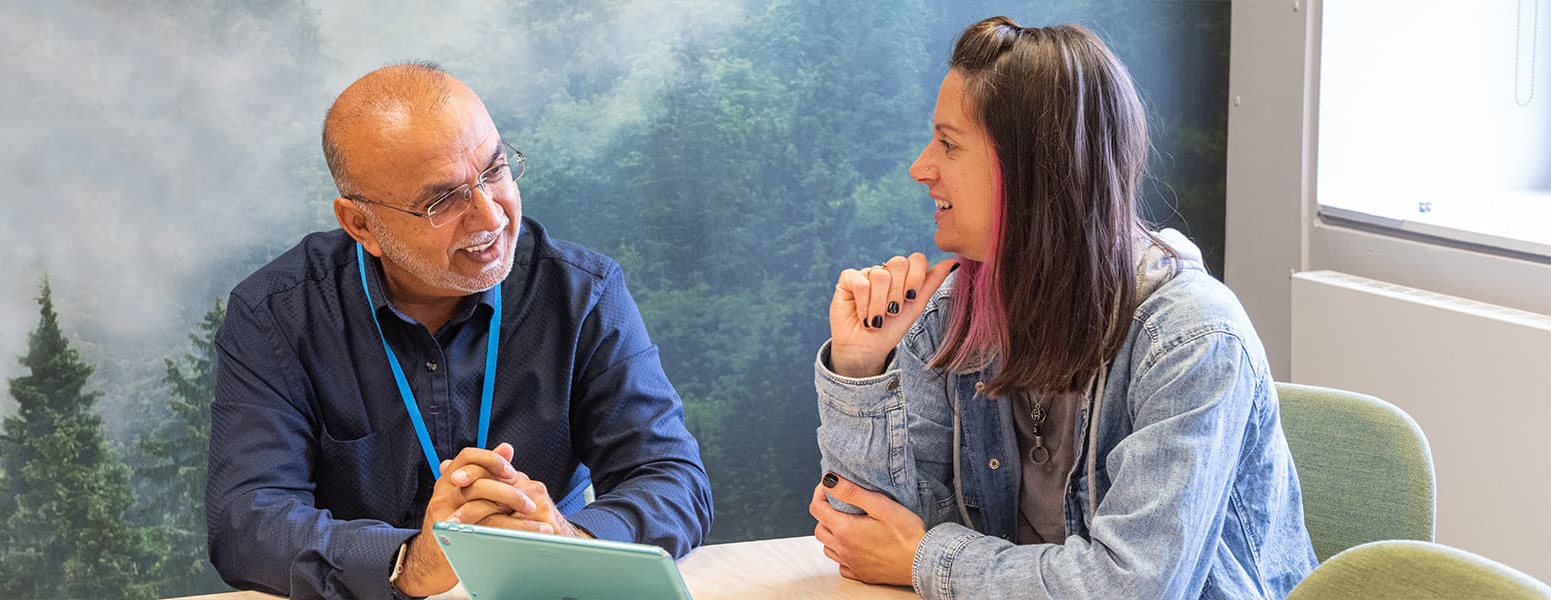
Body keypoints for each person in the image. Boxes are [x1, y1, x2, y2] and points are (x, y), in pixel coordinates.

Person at [808, 17, 1316, 599]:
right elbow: (865, 537)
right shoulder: (953, 316)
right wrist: (860, 368)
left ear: (1034, 171)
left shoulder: (1193, 340)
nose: (920, 168)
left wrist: (927, 559)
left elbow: (1132, 588)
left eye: (949, 144)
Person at [206, 62, 712, 599]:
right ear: (360, 225)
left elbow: (672, 478)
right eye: (443, 201)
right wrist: (406, 561)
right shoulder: (276, 313)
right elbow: (246, 520)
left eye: (495, 171)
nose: (491, 216)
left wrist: (569, 538)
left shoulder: (582, 293)